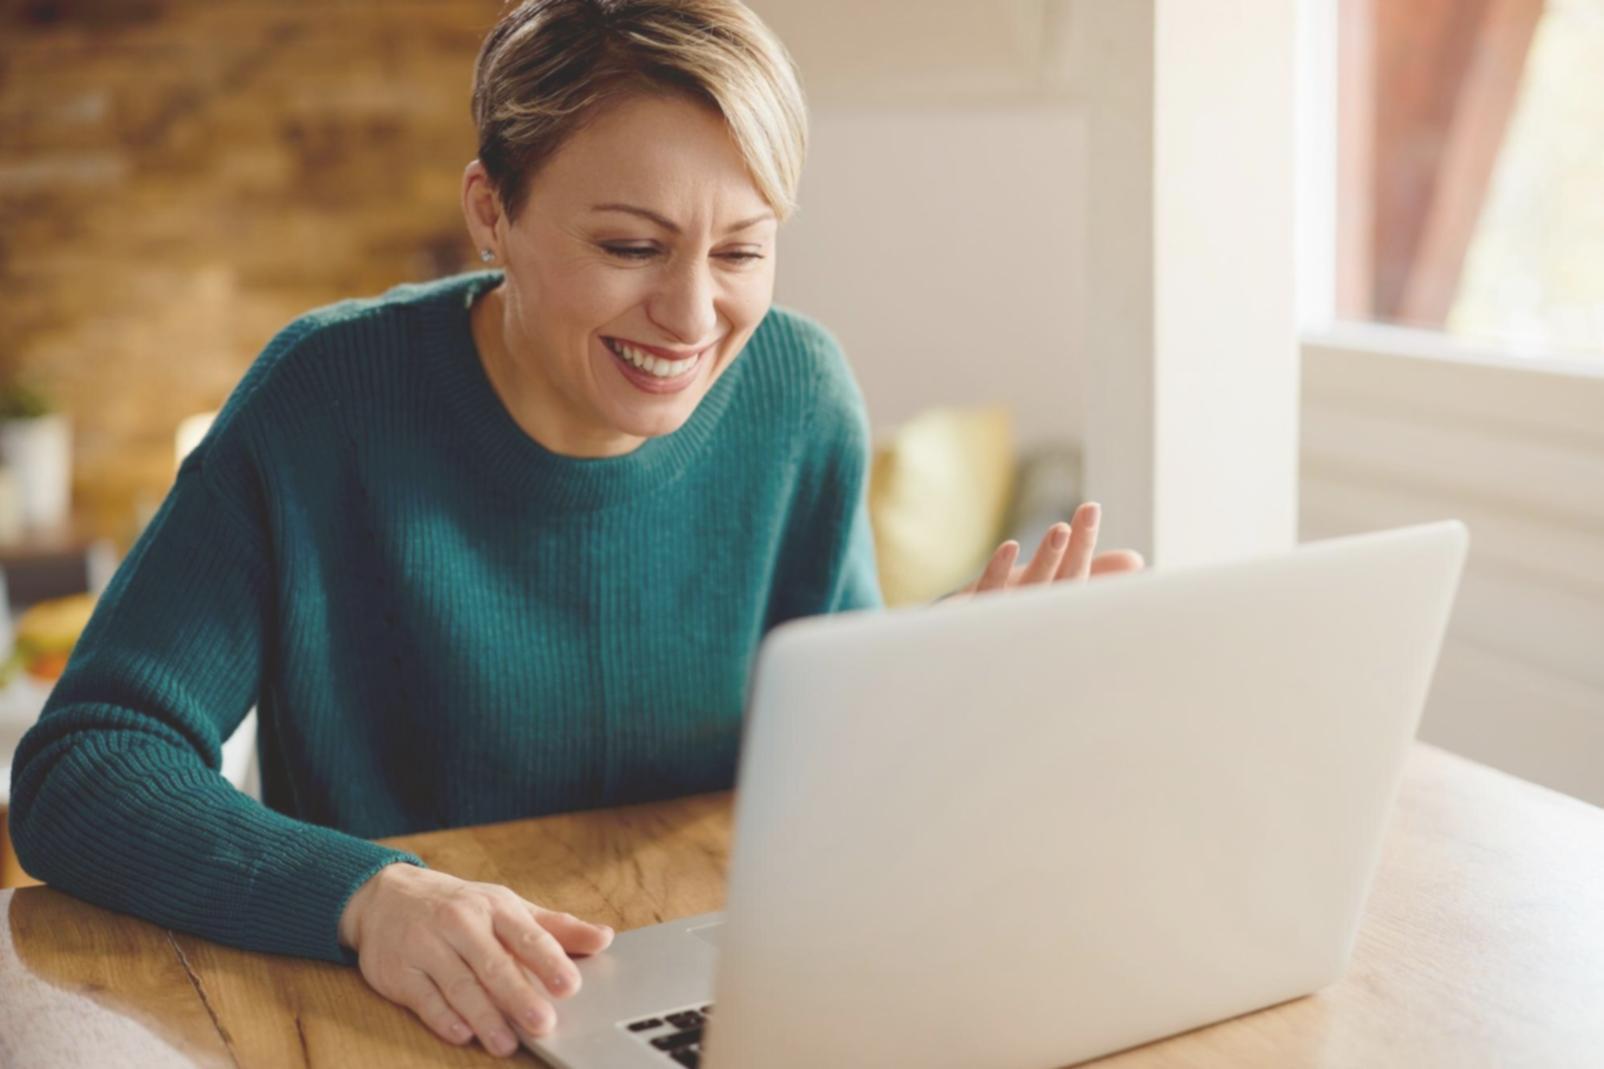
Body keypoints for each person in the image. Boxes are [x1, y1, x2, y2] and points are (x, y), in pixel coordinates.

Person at [8, 0, 1143, 1058]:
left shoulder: (799, 395)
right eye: (630, 247)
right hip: (398, 1018)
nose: (693, 316)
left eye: (742, 250)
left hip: (704, 1000)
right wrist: (366, 895)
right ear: (490, 212)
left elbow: (810, 782)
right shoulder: (324, 397)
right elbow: (82, 767)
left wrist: (935, 692)